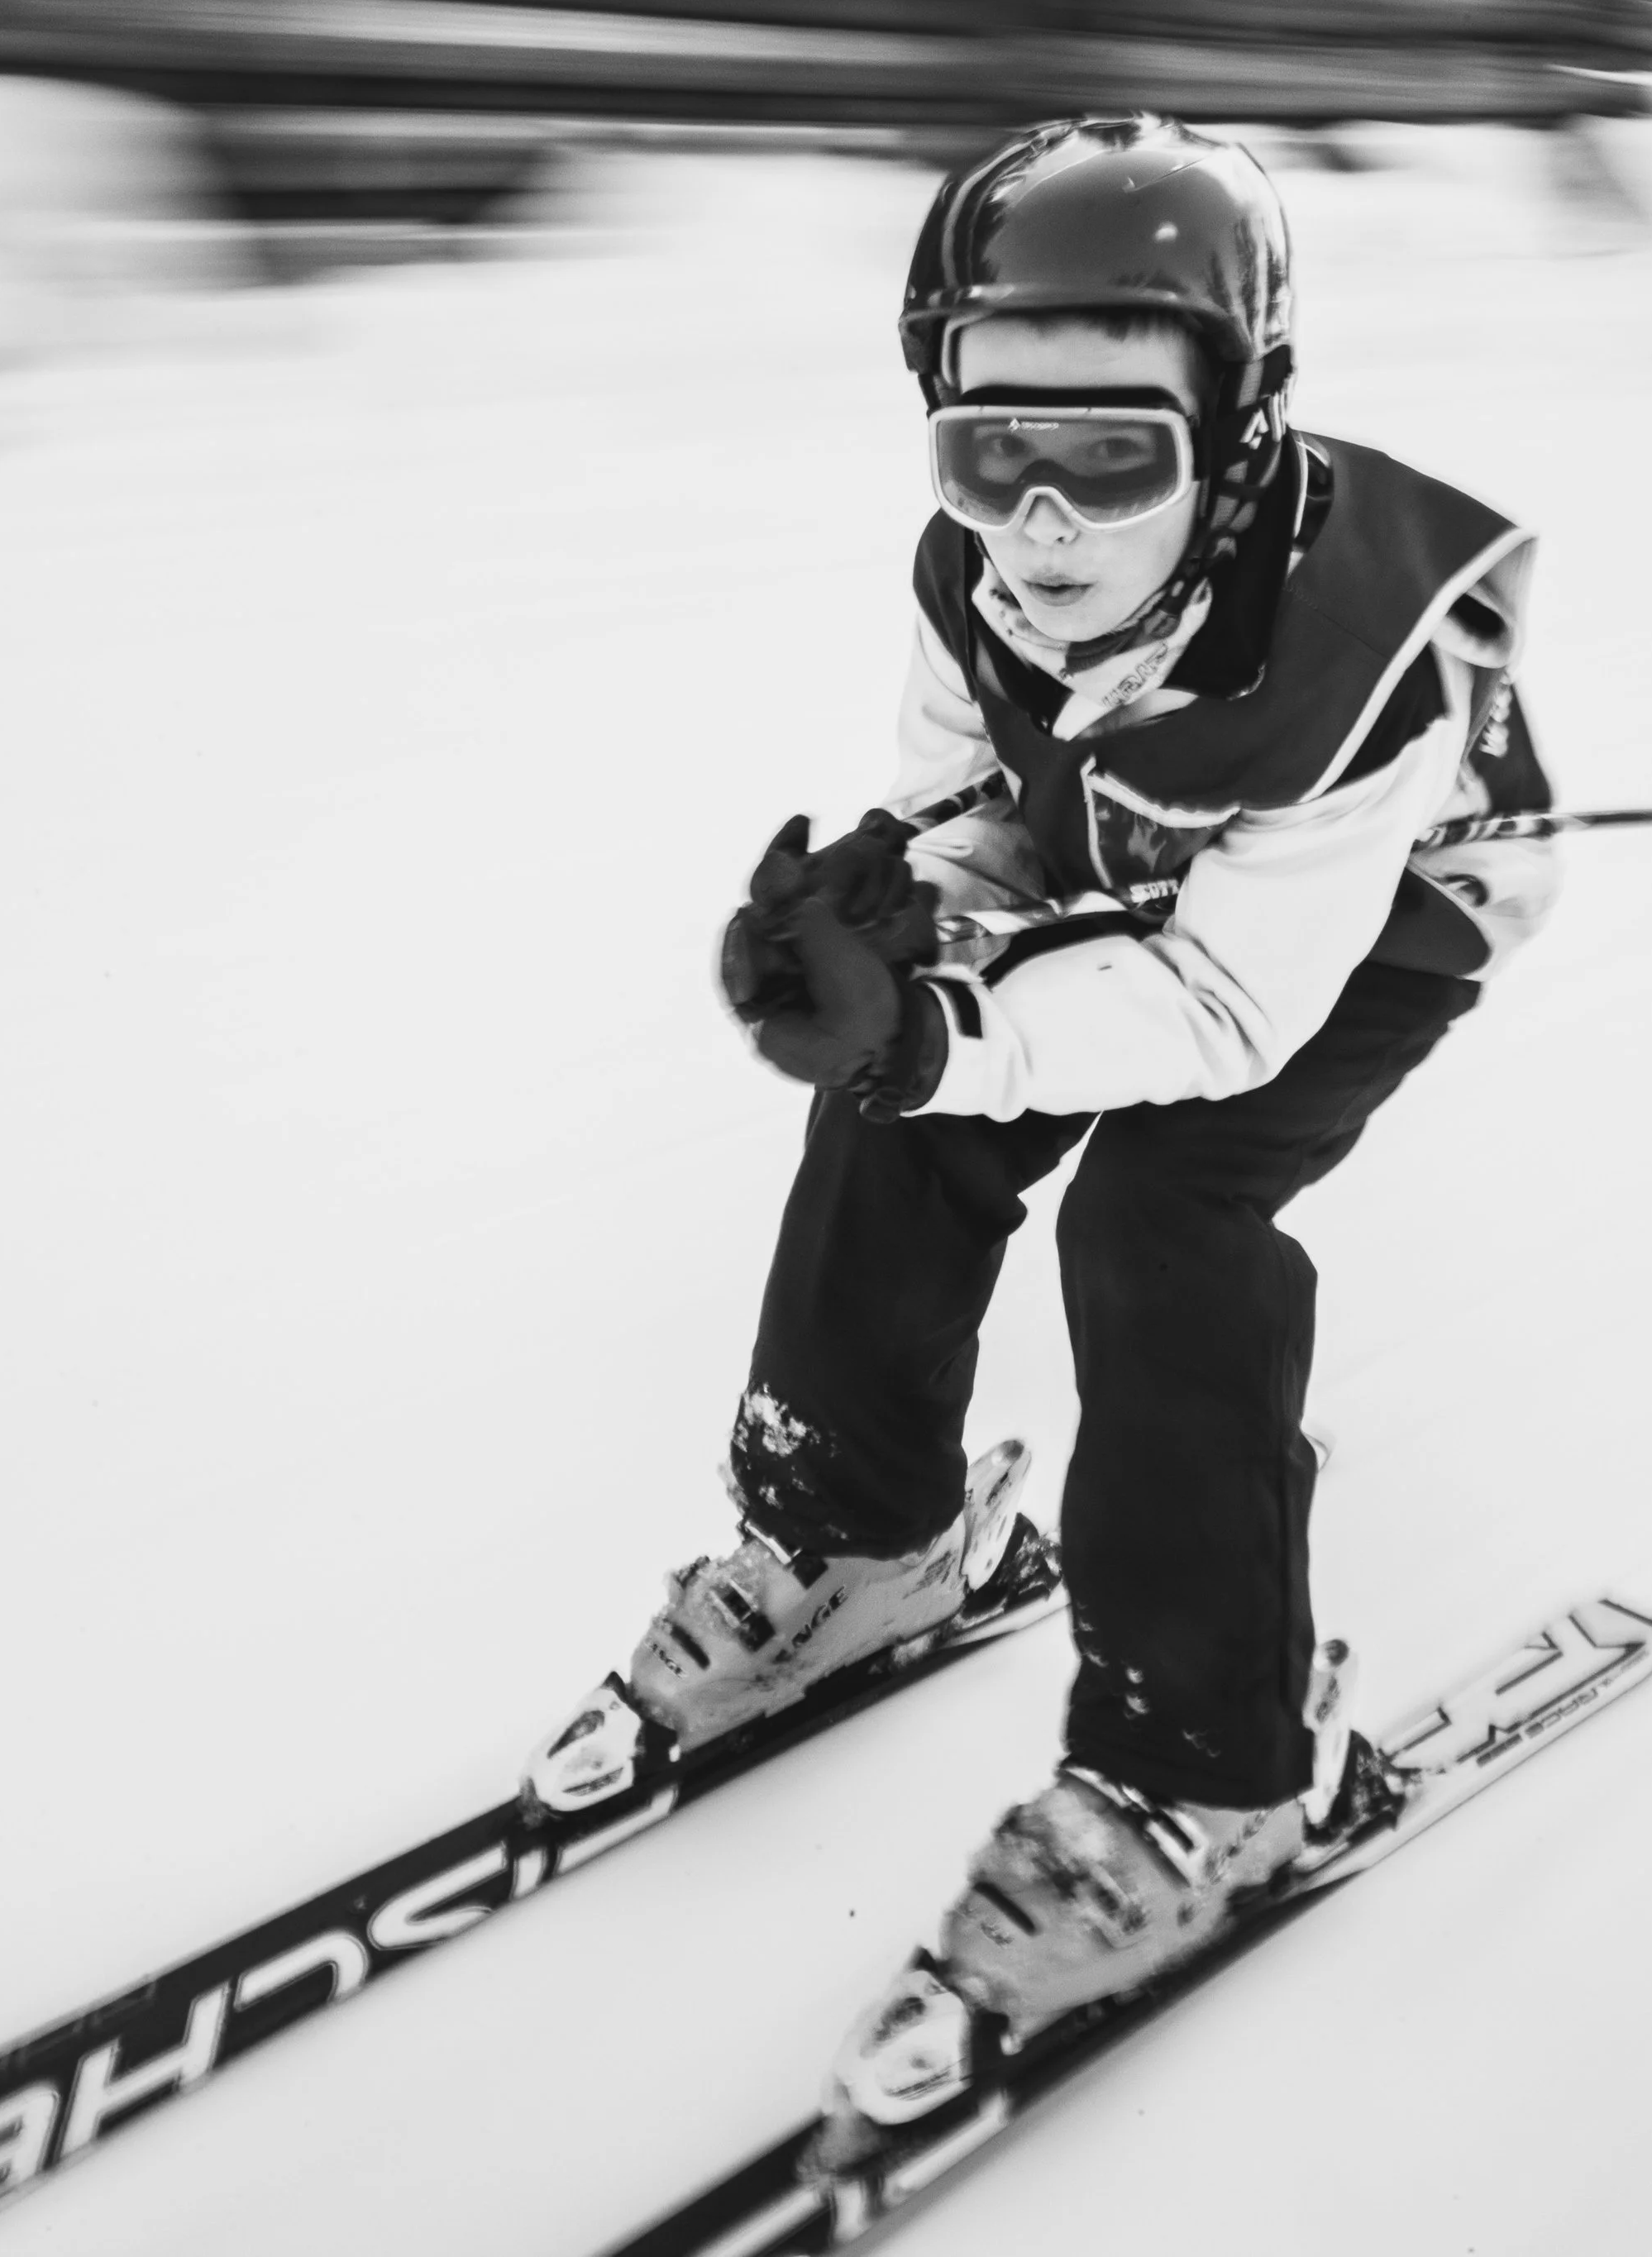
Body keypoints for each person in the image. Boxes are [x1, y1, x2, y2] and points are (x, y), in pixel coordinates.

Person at [523, 111, 1559, 2144]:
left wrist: (939, 1029)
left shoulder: (1362, 665)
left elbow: (1218, 1003)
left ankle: (1211, 1760)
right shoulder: (974, 576)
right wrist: (897, 933)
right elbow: (983, 813)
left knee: (1160, 1225)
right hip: (1146, 865)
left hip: (1362, 928)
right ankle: (857, 1534)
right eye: (991, 446)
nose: (1041, 519)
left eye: (1113, 451)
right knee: (891, 1114)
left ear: (1241, 433)